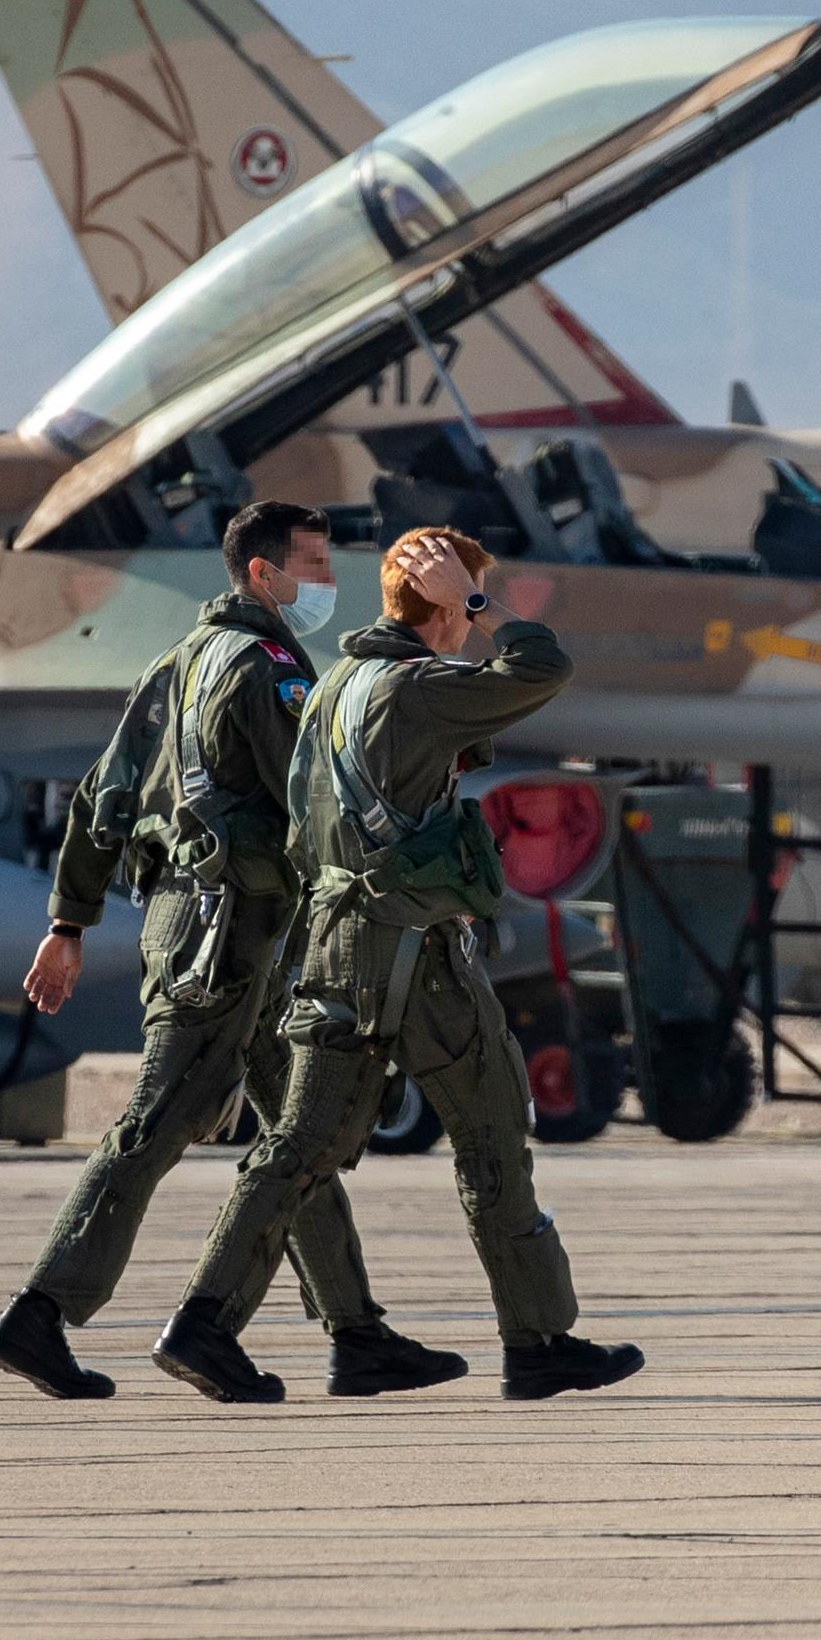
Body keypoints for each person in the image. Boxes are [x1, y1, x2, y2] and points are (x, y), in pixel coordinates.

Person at [0, 499, 463, 1402]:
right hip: (232, 933)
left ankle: (356, 1334)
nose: (324, 581)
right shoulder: (266, 665)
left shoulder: (178, 662)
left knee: (296, 1134)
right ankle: (39, 1316)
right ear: (261, 573)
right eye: (312, 563)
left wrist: (69, 923)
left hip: (211, 924)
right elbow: (316, 798)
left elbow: (100, 797)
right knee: (160, 1123)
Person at [154, 525, 645, 1404]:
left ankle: (208, 1323)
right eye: (462, 598)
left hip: (339, 945)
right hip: (417, 957)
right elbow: (542, 669)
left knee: (301, 1144)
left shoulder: (336, 685)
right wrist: (483, 604)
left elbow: (304, 826)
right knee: (492, 1134)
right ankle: (538, 1344)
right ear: (446, 606)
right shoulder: (420, 689)